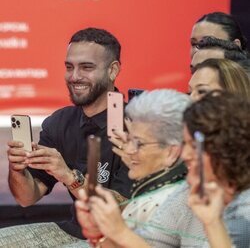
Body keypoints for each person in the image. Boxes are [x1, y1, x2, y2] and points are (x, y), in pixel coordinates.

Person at [4, 27, 132, 247]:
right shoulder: (60, 122)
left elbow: (124, 209)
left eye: (86, 67)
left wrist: (68, 176)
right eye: (69, 67)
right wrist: (17, 169)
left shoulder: (137, 124)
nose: (74, 77)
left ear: (113, 70)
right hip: (74, 230)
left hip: (122, 237)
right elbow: (27, 198)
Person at [75, 89, 191, 247]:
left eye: (139, 144)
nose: (128, 150)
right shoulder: (159, 192)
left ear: (171, 151)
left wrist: (118, 231)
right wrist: (98, 233)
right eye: (129, 140)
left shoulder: (185, 203)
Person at [183, 90, 250, 248]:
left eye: (194, 146)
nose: (184, 154)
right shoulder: (199, 190)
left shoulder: (245, 212)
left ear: (224, 148)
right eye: (184, 143)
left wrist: (213, 223)